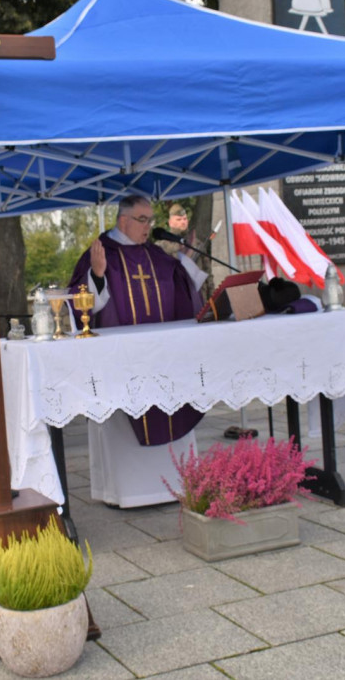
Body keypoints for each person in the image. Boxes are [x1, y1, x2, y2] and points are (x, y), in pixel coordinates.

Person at [68, 195, 204, 507]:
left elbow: (181, 284)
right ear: (124, 220)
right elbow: (81, 303)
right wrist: (98, 275)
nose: (148, 226)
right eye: (143, 220)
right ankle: (127, 494)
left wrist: (184, 257)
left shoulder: (155, 254)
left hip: (162, 358)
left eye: (150, 220)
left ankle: (175, 485)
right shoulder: (101, 252)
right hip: (122, 362)